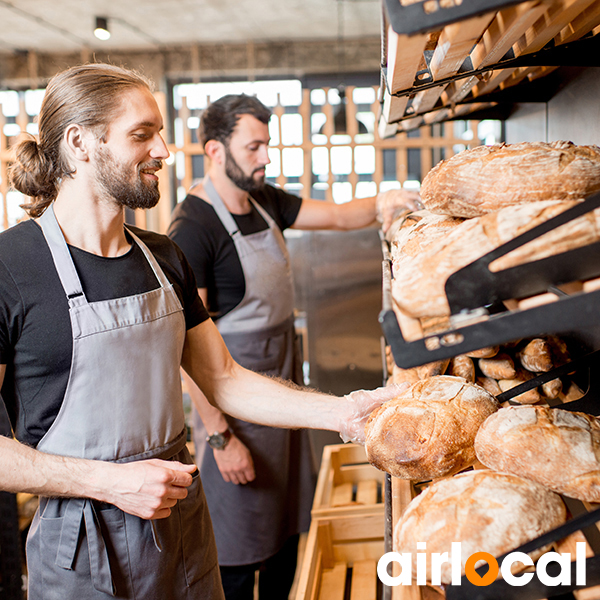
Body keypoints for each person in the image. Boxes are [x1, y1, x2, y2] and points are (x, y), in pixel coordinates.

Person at [0, 63, 407, 600]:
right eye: (142, 135)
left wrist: (342, 412)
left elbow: (223, 378)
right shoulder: (12, 266)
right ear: (80, 143)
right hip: (80, 547)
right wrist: (111, 483)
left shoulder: (163, 257)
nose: (165, 151)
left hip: (181, 527)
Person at [167, 94, 421, 600]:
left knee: (285, 535)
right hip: (234, 410)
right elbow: (186, 355)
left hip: (281, 391)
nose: (265, 157)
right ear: (215, 150)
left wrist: (384, 203)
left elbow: (339, 217)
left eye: (267, 144)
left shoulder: (264, 200)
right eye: (254, 146)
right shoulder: (192, 228)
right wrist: (221, 439)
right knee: (240, 550)